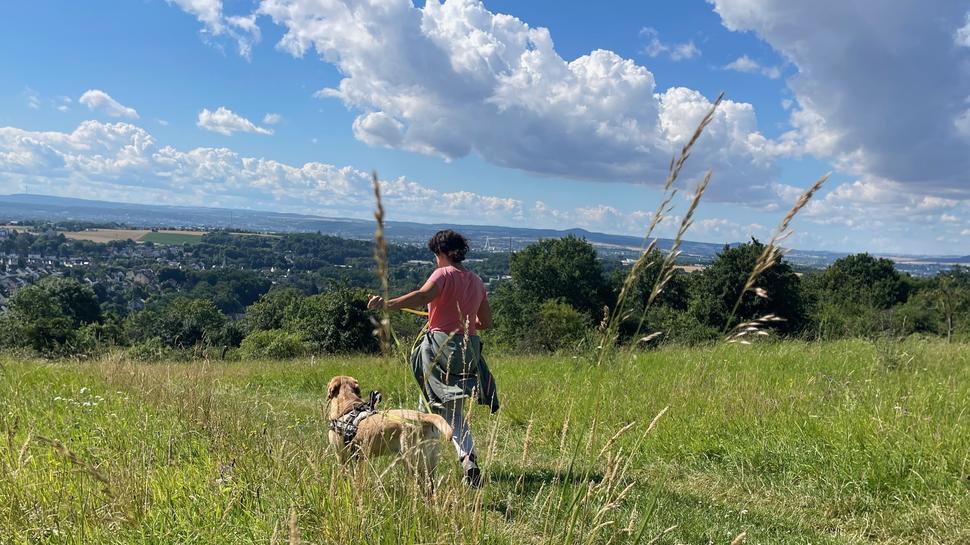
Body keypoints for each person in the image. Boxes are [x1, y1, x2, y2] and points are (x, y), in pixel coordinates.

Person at [367, 229, 499, 487]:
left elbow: (423, 295)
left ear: (439, 252)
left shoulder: (443, 273)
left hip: (440, 348)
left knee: (425, 412)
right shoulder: (477, 281)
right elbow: (486, 322)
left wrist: (388, 304)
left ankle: (424, 470)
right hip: (469, 348)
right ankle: (467, 460)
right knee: (454, 413)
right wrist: (460, 320)